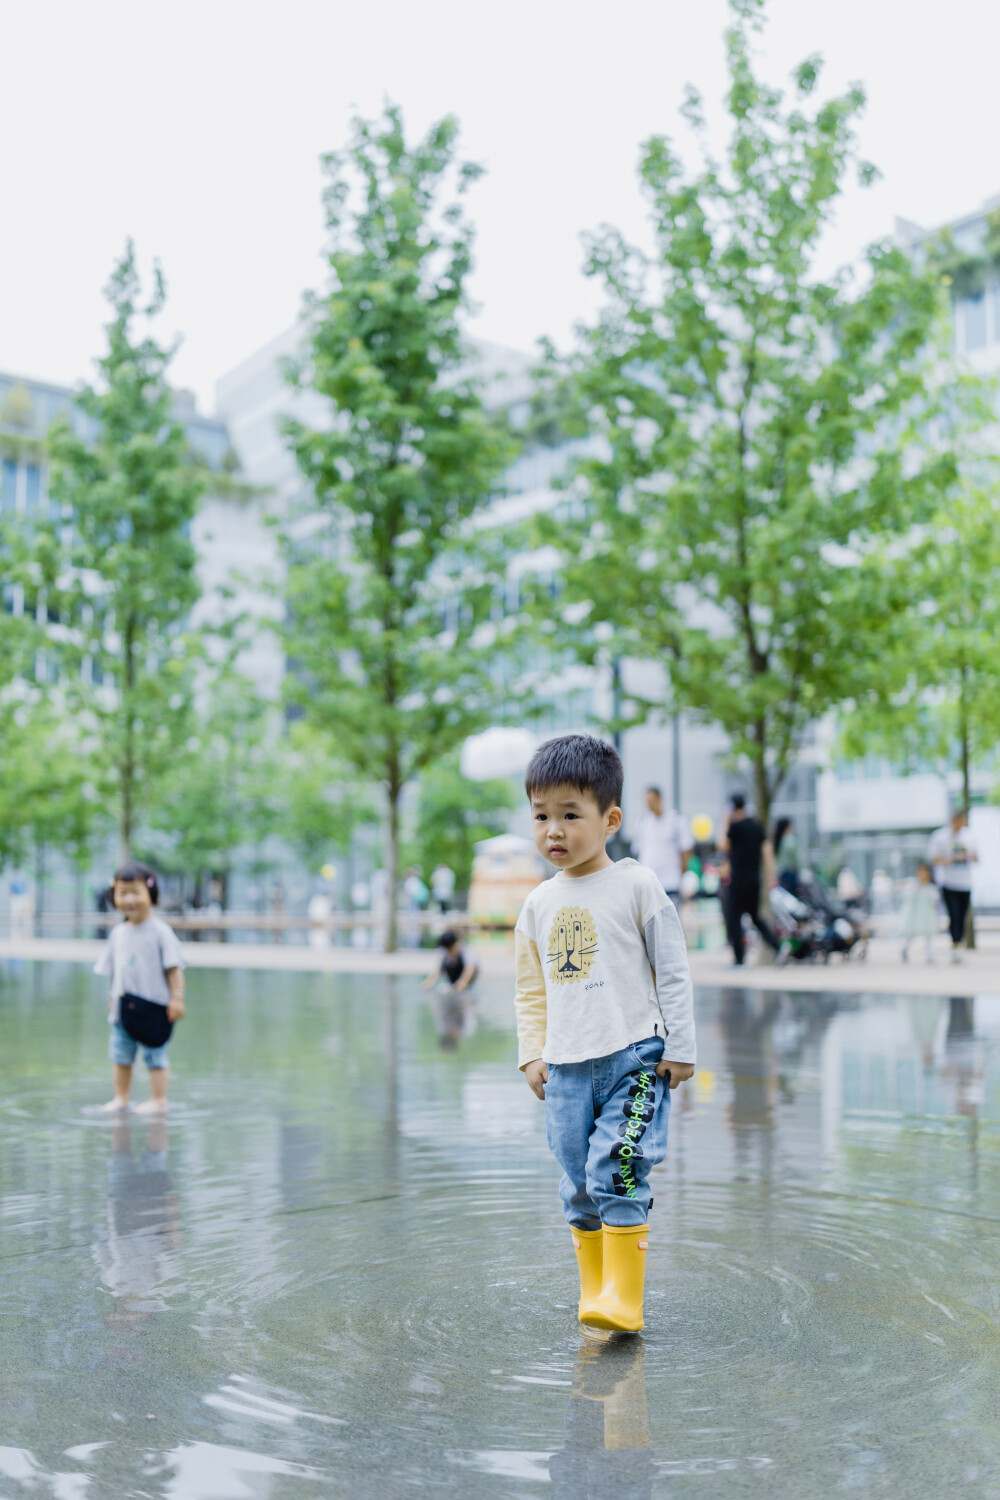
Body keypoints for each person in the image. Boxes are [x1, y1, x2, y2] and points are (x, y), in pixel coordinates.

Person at [513, 734, 695, 1334]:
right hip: (564, 1068)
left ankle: (626, 1300)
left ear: (610, 818)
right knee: (576, 1181)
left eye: (570, 814)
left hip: (633, 1058)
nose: (553, 831)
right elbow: (531, 989)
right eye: (542, 816)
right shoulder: (537, 904)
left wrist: (681, 1049)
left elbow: (672, 970)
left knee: (617, 1166)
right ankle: (596, 1291)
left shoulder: (637, 885)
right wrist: (532, 1055)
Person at [94, 861, 186, 1115]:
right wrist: (113, 998)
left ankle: (159, 1099)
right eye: (122, 893)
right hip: (124, 1007)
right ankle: (121, 1098)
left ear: (151, 894)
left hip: (155, 1005)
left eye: (136, 892)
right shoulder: (118, 933)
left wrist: (176, 998)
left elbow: (174, 968)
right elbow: (115, 971)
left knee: (156, 1054)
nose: (129, 899)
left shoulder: (160, 932)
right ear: (113, 896)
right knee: (120, 1054)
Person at [719, 794, 779, 966]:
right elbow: (767, 852)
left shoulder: (735, 826)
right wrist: (770, 877)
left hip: (738, 879)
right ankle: (775, 945)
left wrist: (725, 820)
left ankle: (739, 959)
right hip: (754, 879)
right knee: (755, 916)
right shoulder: (756, 825)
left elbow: (722, 844)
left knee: (733, 917)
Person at [928, 809, 978, 963]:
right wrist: (952, 858)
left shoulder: (969, 836)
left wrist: (968, 857)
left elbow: (977, 857)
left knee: (962, 916)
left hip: (965, 883)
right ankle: (955, 946)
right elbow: (933, 859)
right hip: (948, 883)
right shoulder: (940, 836)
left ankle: (957, 945)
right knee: (954, 915)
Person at [632, 786, 693, 905]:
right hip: (648, 882)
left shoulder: (675, 820)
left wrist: (683, 872)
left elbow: (686, 849)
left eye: (652, 801)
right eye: (647, 801)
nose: (649, 804)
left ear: (659, 799)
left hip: (670, 882)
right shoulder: (642, 822)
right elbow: (638, 850)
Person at [900, 861, 938, 965]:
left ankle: (929, 955)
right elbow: (907, 896)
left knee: (928, 936)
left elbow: (935, 900)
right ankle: (905, 949)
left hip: (926, 915)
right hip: (914, 914)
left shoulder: (931, 887)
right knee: (910, 934)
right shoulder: (912, 884)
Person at [421, 928, 478, 994]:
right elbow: (437, 970)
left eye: (451, 948)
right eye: (448, 949)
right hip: (453, 981)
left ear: (456, 943)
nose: (449, 951)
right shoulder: (444, 951)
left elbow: (470, 968)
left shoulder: (466, 950)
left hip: (467, 982)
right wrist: (428, 982)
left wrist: (462, 983)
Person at [772, 816, 800, 896]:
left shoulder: (776, 840)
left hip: (779, 875)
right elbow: (797, 860)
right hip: (790, 874)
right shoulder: (790, 840)